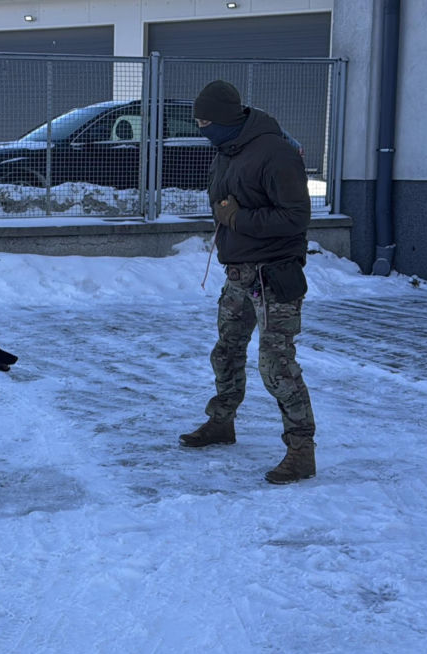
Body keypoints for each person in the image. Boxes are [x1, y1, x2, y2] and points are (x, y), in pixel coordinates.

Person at [179, 80, 316, 484]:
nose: (201, 128)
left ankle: (301, 450)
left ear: (226, 119)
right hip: (238, 273)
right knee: (226, 352)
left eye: (205, 121)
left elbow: (296, 218)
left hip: (274, 275)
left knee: (277, 366)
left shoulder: (275, 154)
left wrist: (238, 219)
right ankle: (221, 422)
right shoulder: (226, 150)